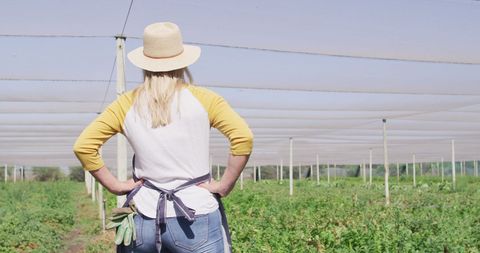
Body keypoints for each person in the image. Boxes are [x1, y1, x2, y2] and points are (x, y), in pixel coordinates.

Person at [73, 22, 253, 253]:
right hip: (196, 214)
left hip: (142, 215)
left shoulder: (126, 103)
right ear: (182, 61)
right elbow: (243, 137)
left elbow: (84, 146)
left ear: (145, 64)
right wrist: (224, 184)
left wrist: (115, 185)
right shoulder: (205, 99)